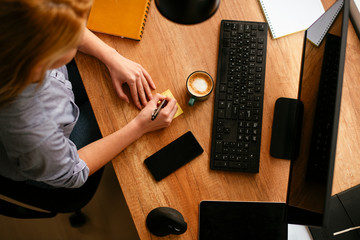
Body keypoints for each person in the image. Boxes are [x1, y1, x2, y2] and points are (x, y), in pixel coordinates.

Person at [0, 0, 178, 191]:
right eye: (74, 31)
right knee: (119, 114)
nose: (84, 29)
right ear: (49, 53)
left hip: (49, 105)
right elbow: (72, 173)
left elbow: (55, 16)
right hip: (51, 163)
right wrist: (140, 126)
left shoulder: (16, 29)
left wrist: (111, 56)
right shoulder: (34, 131)